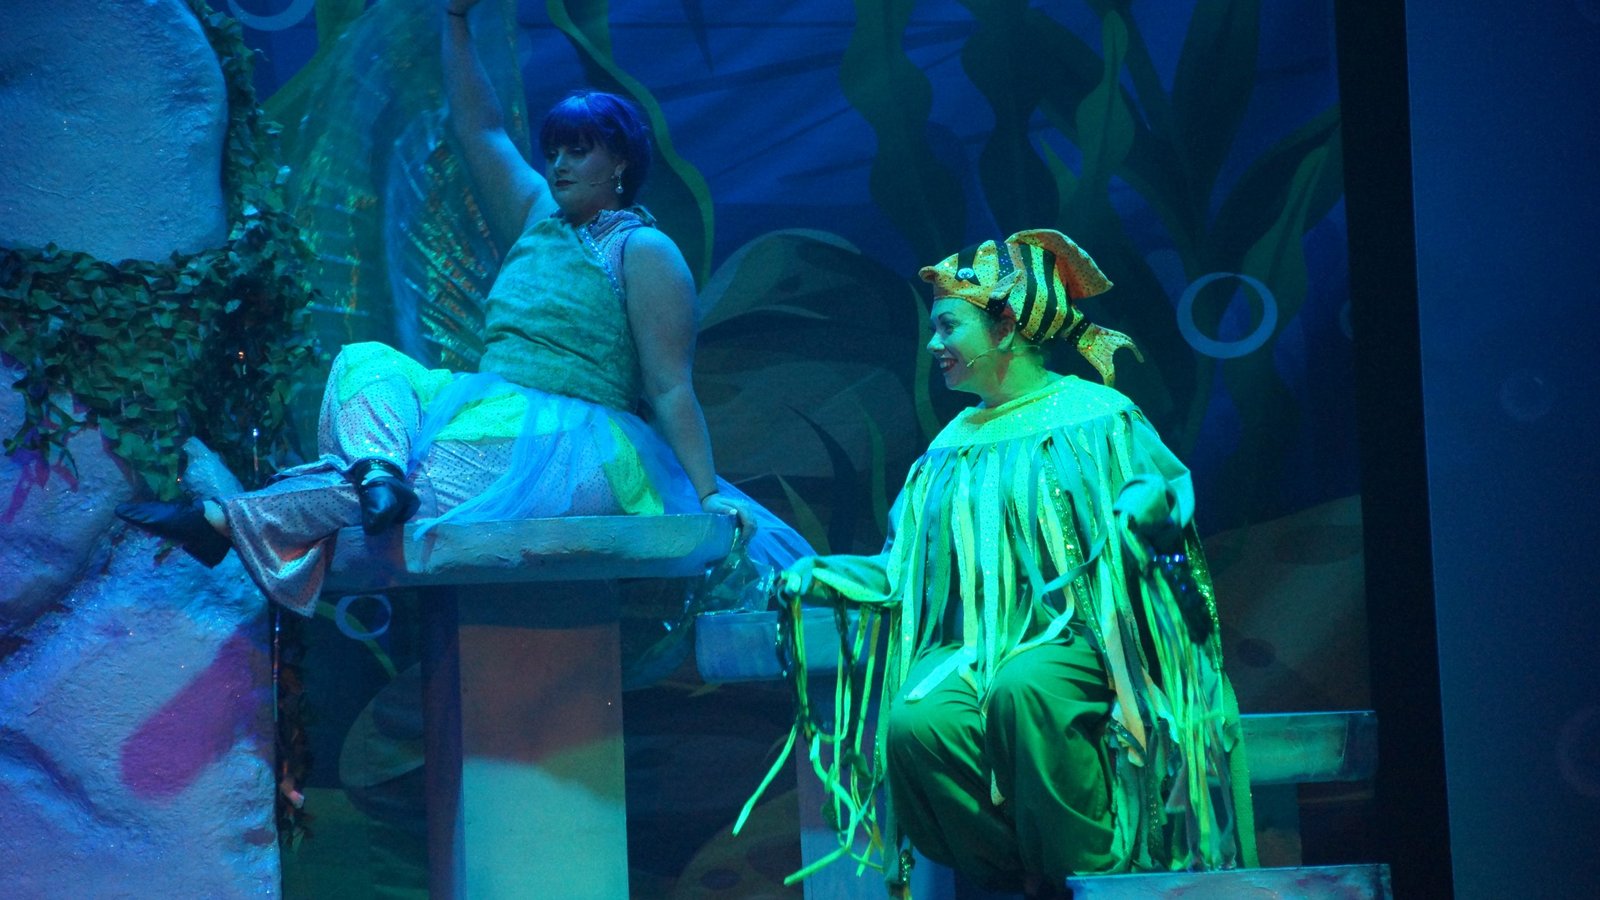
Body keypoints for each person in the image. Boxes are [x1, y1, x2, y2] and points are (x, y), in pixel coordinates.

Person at [117, 0, 807, 614]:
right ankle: (375, 474)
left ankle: (225, 520)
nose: (560, 164)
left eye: (579, 151)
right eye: (555, 150)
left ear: (620, 163)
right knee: (365, 363)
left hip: (576, 441)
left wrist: (707, 493)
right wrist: (454, 21)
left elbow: (669, 386)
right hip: (489, 404)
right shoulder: (538, 214)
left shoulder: (643, 250)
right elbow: (483, 130)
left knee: (429, 482)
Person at [773, 230, 1254, 897]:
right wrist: (822, 574)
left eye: (949, 326)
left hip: (1084, 637)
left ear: (1005, 325)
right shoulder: (950, 447)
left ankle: (1086, 874)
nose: (934, 344)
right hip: (975, 649)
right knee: (918, 721)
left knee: (1024, 688)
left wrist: (1151, 512)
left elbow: (1168, 526)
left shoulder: (1099, 416)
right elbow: (901, 568)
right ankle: (1015, 875)